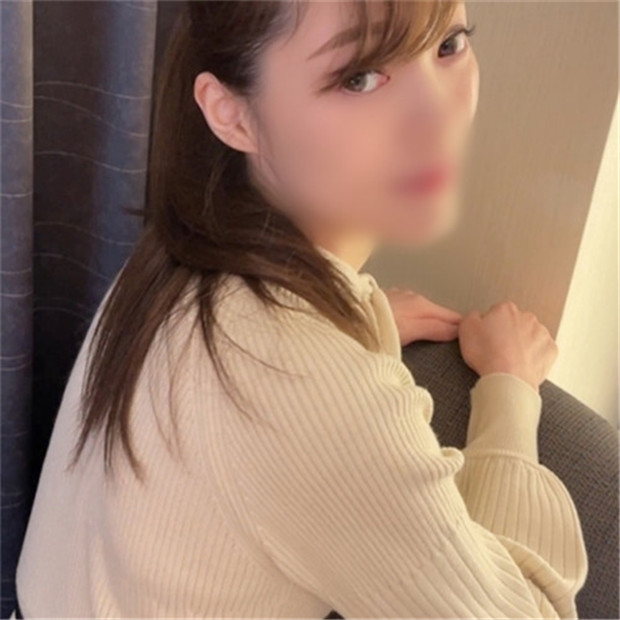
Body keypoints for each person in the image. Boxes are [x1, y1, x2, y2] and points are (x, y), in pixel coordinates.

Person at [13, 0, 588, 618]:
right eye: (359, 77)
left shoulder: (168, 260)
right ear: (231, 113)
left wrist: (355, 318)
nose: (438, 117)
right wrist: (509, 390)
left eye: (448, 44)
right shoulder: (295, 378)